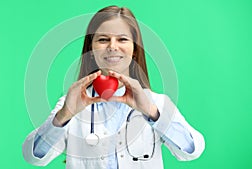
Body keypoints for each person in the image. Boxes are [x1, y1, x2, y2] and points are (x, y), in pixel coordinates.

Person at [22, 5, 205, 169]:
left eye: (122, 39)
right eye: (103, 39)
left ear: (134, 50)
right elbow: (34, 157)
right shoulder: (72, 103)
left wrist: (151, 112)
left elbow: (191, 150)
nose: (112, 46)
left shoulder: (156, 103)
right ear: (91, 50)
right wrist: (64, 115)